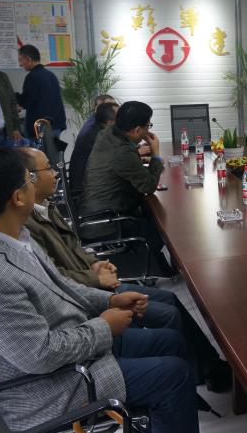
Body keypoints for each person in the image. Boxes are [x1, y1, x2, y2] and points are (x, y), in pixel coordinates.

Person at [0, 148, 200, 433]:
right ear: (18, 197)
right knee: (174, 376)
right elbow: (41, 355)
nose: (38, 182)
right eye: (29, 179)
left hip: (73, 348)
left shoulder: (9, 234)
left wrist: (109, 300)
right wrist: (105, 326)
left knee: (171, 341)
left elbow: (62, 286)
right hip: (50, 387)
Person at [21, 147, 231, 391]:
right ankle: (197, 373)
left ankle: (208, 365)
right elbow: (55, 276)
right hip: (85, 289)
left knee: (170, 298)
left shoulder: (45, 206)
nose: (56, 173)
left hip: (90, 277)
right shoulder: (28, 225)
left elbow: (74, 247)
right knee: (168, 313)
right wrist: (96, 277)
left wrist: (95, 262)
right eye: (49, 168)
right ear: (29, 179)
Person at [78, 101, 164, 241]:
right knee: (160, 229)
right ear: (137, 130)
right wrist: (156, 154)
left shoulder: (107, 133)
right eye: (148, 126)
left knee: (151, 215)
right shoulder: (122, 153)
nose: (148, 131)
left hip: (93, 213)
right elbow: (149, 186)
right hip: (106, 224)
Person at [16, 44, 67, 140]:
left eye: (21, 60)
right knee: (53, 150)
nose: (20, 64)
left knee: (38, 150)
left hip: (41, 128)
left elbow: (26, 102)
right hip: (56, 124)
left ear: (28, 59)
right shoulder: (50, 75)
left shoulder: (32, 77)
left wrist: (13, 95)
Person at [69, 101, 118, 199]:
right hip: (86, 193)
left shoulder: (96, 128)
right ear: (110, 122)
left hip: (88, 186)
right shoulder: (97, 136)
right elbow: (115, 163)